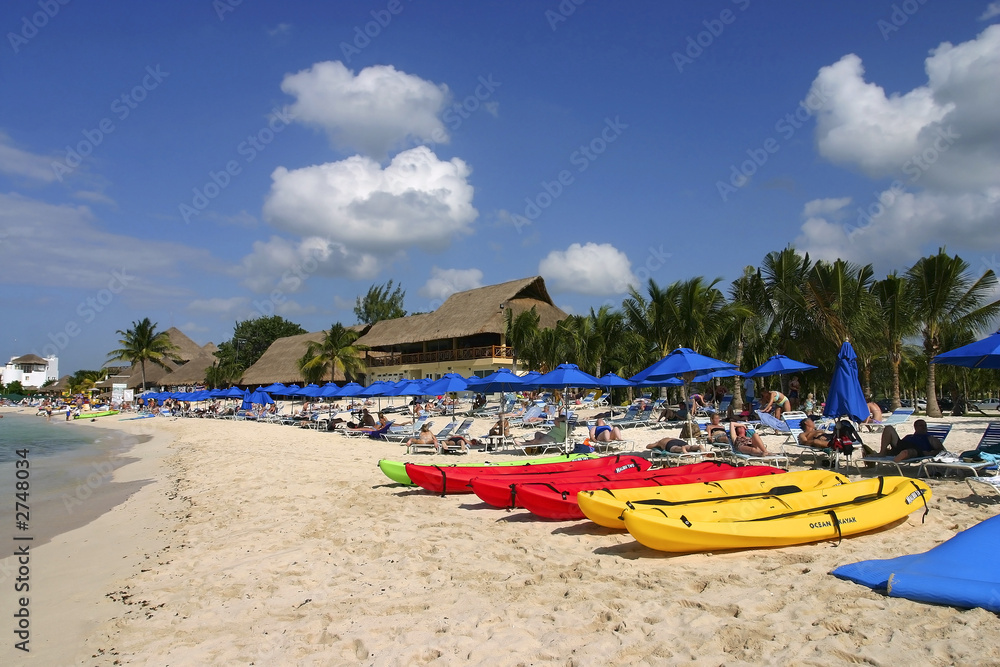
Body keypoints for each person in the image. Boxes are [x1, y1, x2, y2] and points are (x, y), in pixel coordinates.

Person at [876, 419, 943, 462]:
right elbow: (900, 444)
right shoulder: (909, 436)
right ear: (915, 427)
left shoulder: (930, 438)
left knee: (909, 452)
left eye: (925, 425)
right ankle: (883, 452)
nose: (924, 427)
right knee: (889, 427)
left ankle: (899, 457)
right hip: (901, 446)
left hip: (916, 450)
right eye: (921, 425)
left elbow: (941, 450)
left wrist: (930, 453)